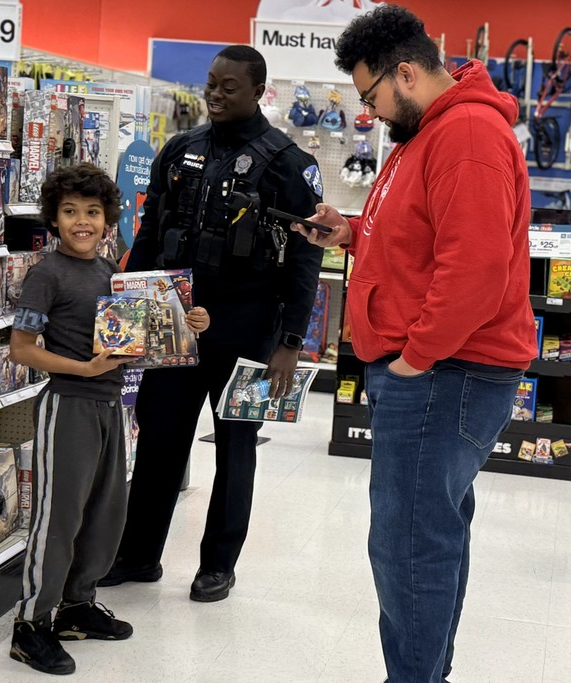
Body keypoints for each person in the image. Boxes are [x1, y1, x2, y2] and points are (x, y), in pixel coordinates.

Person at [291, 7, 538, 682]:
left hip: (442, 372)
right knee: (429, 536)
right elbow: (422, 241)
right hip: (435, 371)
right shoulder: (429, 131)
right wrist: (349, 232)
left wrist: (414, 357)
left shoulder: (463, 134)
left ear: (407, 72)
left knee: (407, 546)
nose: (368, 112)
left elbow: (477, 267)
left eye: (371, 96)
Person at [101, 45, 323, 603]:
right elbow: (150, 235)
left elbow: (304, 261)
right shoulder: (180, 150)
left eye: (229, 86)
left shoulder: (290, 165)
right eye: (211, 84)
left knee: (236, 449)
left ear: (258, 91)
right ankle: (138, 555)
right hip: (174, 323)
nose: (215, 94)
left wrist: (291, 343)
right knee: (159, 441)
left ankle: (217, 566)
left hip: (250, 331)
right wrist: (132, 315)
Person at [9, 163, 211, 675]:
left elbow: (139, 343)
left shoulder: (110, 274)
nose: (83, 222)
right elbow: (22, 350)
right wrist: (82, 367)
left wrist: (188, 324)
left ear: (108, 219)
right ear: (53, 220)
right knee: (59, 518)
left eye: (93, 213)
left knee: (103, 513)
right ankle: (31, 626)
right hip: (69, 405)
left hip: (109, 406)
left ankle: (77, 606)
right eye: (70, 212)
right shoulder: (46, 274)